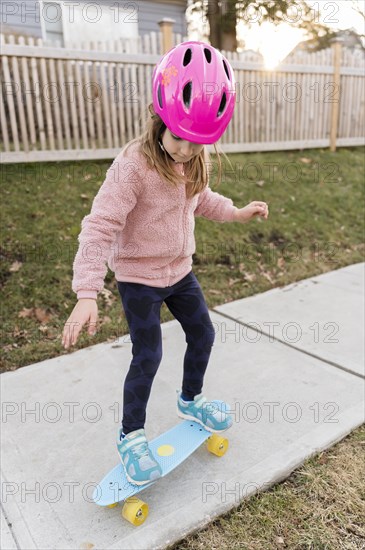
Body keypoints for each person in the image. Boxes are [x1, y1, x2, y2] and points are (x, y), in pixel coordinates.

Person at [61, 41, 269, 486]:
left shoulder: (193, 158)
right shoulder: (132, 166)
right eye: (178, 138)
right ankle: (131, 435)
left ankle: (190, 400)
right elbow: (99, 226)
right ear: (160, 118)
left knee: (203, 333)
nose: (183, 152)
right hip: (138, 278)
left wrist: (234, 212)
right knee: (149, 353)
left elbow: (200, 200)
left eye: (196, 145)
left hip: (180, 272)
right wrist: (86, 293)